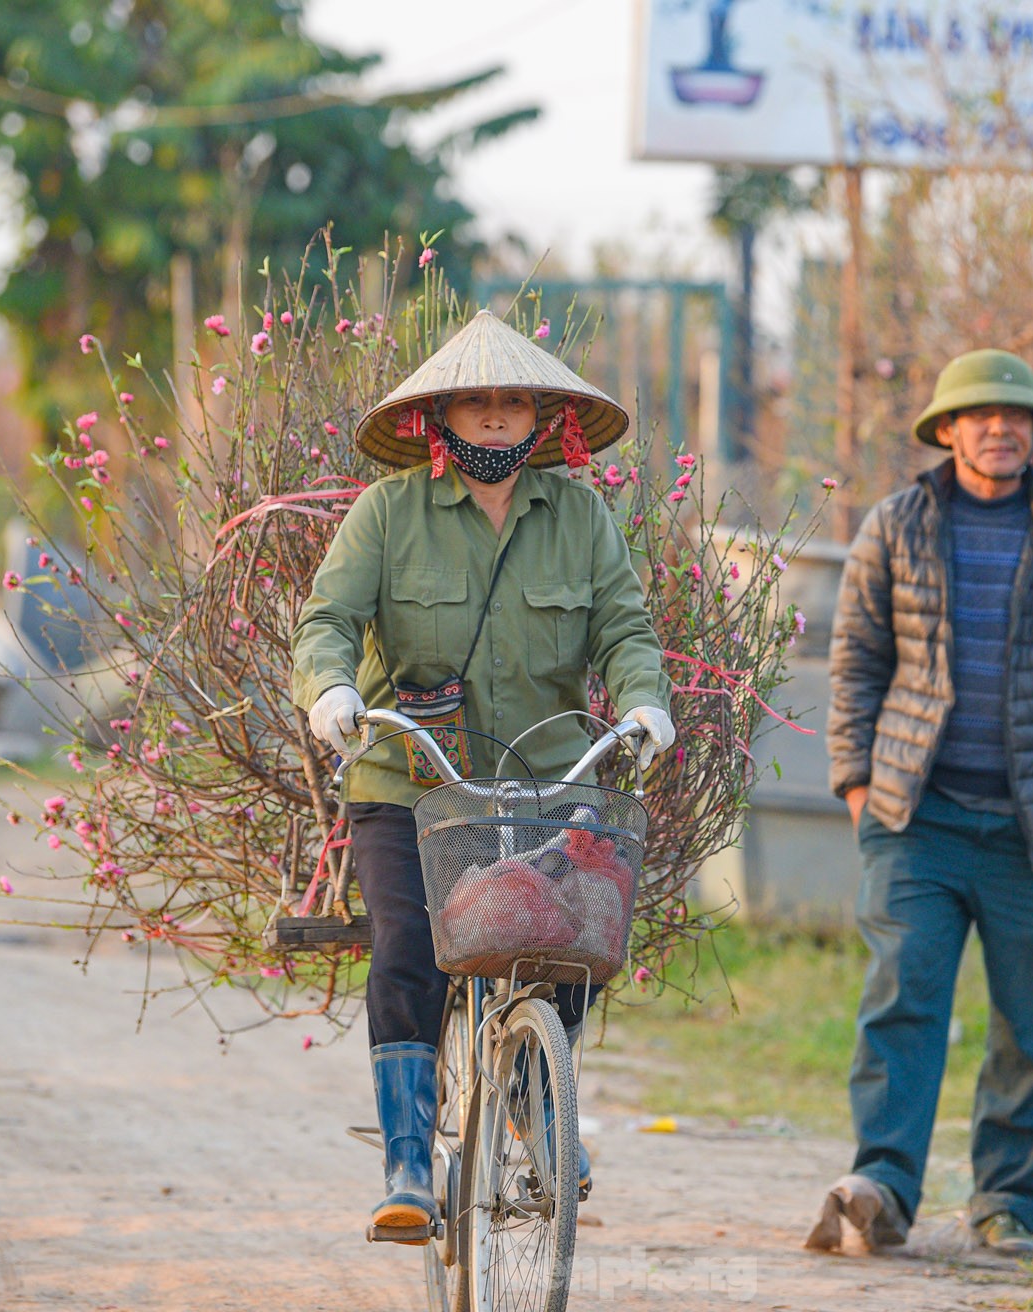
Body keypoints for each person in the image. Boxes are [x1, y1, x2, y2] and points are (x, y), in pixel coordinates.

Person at [290, 310, 675, 1243]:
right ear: (442, 419)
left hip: (544, 778)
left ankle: (530, 1097)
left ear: (540, 419)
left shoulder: (581, 517)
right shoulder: (387, 512)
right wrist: (332, 690)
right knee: (408, 955)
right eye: (478, 403)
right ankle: (409, 1164)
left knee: (576, 941)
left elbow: (624, 629)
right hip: (408, 782)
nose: (496, 419)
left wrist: (644, 699)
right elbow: (327, 619)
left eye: (513, 403)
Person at [806, 349, 1033, 1259]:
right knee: (902, 1003)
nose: (1001, 428)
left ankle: (1009, 1206)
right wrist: (858, 786)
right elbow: (857, 666)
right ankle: (883, 1188)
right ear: (947, 430)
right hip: (918, 820)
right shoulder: (894, 527)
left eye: (1018, 415)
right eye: (981, 415)